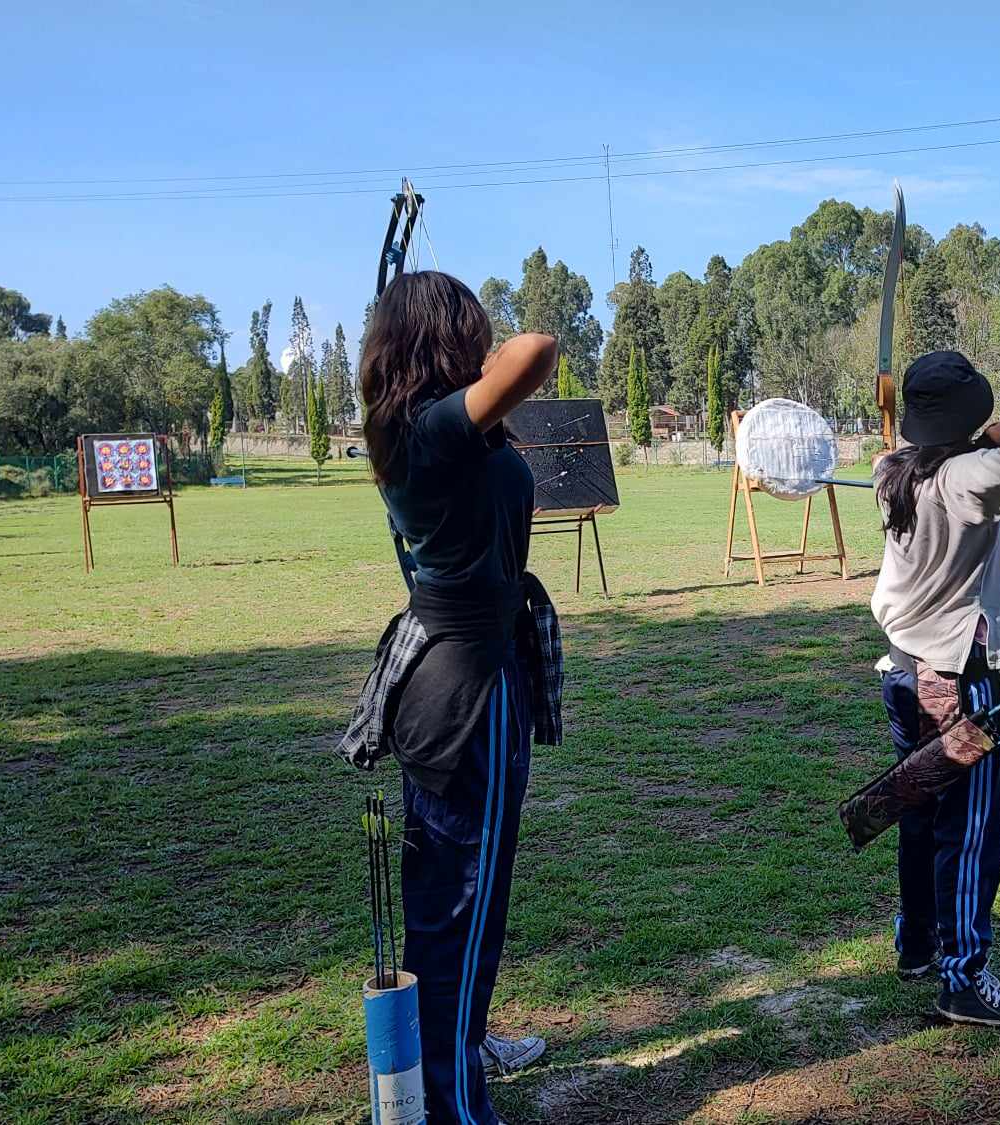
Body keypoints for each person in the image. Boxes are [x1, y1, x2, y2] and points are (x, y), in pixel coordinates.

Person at [355, 270, 559, 1123]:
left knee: (466, 899)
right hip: (468, 689)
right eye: (467, 329)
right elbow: (536, 352)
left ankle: (464, 1043)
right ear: (443, 338)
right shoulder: (431, 429)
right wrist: (487, 349)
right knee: (458, 906)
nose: (483, 342)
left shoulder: (433, 433)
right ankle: (453, 1106)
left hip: (466, 674)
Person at [872, 350, 1000, 1027]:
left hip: (901, 671)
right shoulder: (964, 478)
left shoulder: (894, 468)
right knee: (969, 832)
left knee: (918, 815)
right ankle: (964, 977)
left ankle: (917, 941)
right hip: (956, 680)